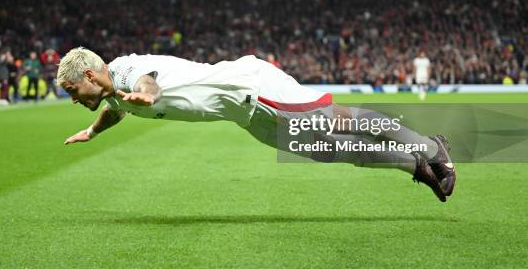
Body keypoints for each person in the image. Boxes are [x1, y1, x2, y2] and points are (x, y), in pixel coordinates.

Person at [57, 47, 456, 202]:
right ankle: (415, 165)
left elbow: (148, 80)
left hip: (253, 87)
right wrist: (93, 130)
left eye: (74, 90)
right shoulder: (112, 93)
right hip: (245, 115)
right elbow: (116, 108)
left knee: (341, 120)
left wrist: (149, 94)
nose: (74, 99)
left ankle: (431, 147)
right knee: (329, 149)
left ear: (91, 76)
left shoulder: (127, 72)